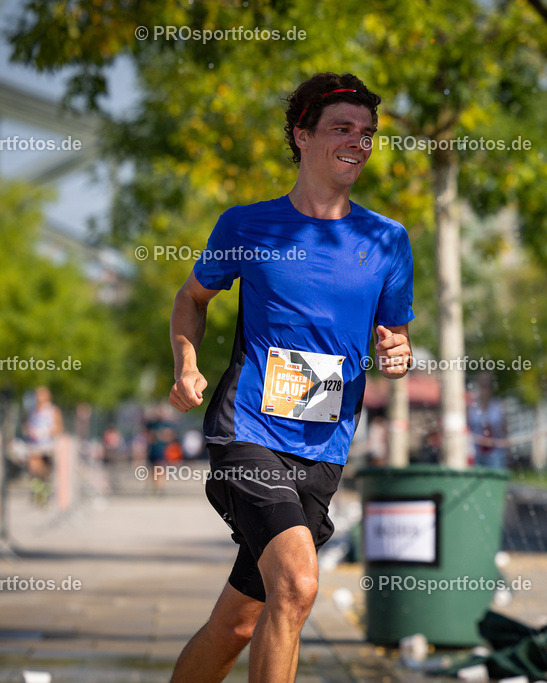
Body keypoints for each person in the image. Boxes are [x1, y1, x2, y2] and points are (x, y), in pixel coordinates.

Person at [167, 72, 413, 683]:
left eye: (367, 133)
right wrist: (187, 363)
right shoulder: (247, 226)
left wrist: (399, 353)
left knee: (241, 624)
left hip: (323, 445)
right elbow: (192, 299)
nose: (359, 142)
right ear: (301, 136)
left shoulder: (387, 240)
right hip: (246, 428)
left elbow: (394, 335)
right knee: (299, 585)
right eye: (342, 129)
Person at [23, 386, 63, 503]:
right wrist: (30, 431)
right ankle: (36, 491)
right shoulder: (32, 411)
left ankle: (45, 492)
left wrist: (46, 432)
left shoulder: (52, 410)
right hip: (35, 445)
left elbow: (59, 427)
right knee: (34, 466)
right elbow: (27, 426)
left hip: (48, 445)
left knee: (46, 470)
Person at [467, 373, 509, 469]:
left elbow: (504, 429)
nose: (484, 390)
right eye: (482, 385)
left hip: (496, 452)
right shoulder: (472, 407)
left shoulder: (498, 407)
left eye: (487, 386)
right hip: (476, 452)